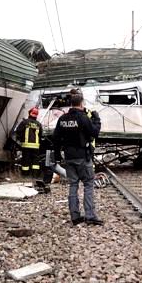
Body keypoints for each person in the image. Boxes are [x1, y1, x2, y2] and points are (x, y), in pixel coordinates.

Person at [52, 93, 103, 225]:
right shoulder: (83, 118)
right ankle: (90, 216)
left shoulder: (62, 119)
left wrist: (57, 156)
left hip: (68, 157)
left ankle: (75, 216)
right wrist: (96, 119)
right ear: (81, 103)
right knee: (88, 184)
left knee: (73, 185)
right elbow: (94, 132)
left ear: (71, 104)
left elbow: (56, 139)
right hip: (82, 157)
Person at [14, 107, 43, 181]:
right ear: (36, 115)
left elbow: (18, 131)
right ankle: (35, 177)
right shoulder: (39, 124)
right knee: (35, 162)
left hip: (26, 145)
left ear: (30, 113)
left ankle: (25, 176)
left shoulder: (24, 122)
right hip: (36, 146)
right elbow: (40, 135)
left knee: (25, 161)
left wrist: (20, 139)